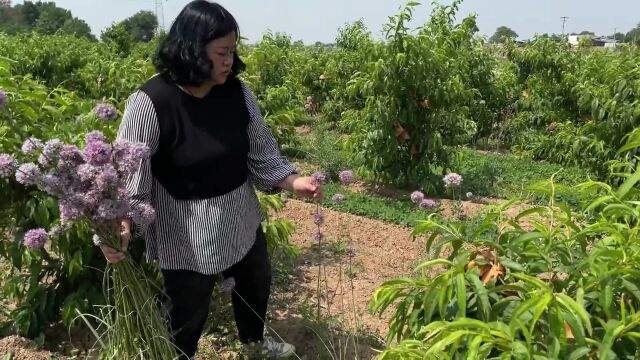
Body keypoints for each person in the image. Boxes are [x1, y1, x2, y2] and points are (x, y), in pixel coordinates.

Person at [98, 1, 322, 358]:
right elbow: (131, 177)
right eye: (221, 52)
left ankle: (254, 344)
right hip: (184, 230)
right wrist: (123, 223)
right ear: (192, 50)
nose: (229, 60)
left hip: (239, 214)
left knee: (255, 280)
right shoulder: (151, 102)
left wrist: (293, 181)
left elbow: (261, 152)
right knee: (187, 311)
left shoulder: (237, 93)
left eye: (232, 51)